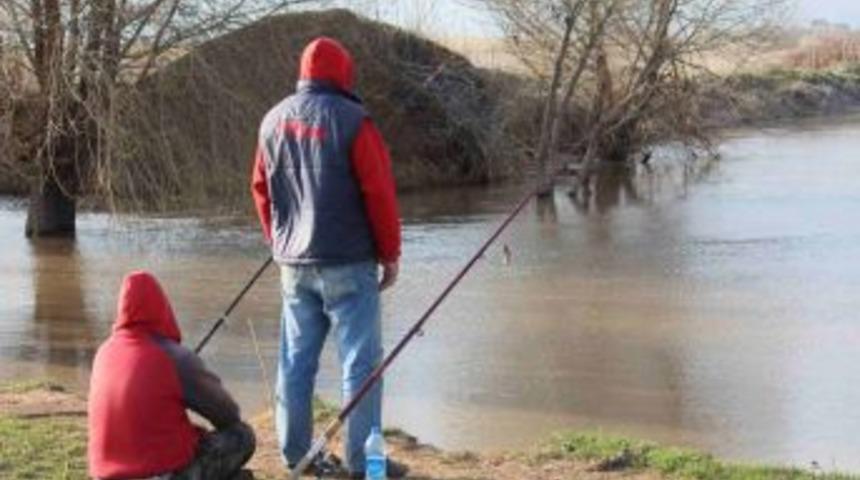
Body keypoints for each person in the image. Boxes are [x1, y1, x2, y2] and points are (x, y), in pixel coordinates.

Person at [251, 36, 406, 478]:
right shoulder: (355, 121)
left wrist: (277, 241)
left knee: (295, 362)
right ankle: (364, 464)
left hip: (293, 265)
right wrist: (390, 254)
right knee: (361, 364)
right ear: (344, 73)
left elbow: (261, 191)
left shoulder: (271, 121)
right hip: (349, 263)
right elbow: (379, 194)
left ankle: (295, 455)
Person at [88, 271, 255, 480]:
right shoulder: (176, 358)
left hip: (104, 474)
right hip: (161, 474)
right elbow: (228, 414)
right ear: (162, 307)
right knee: (242, 435)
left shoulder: (104, 352)